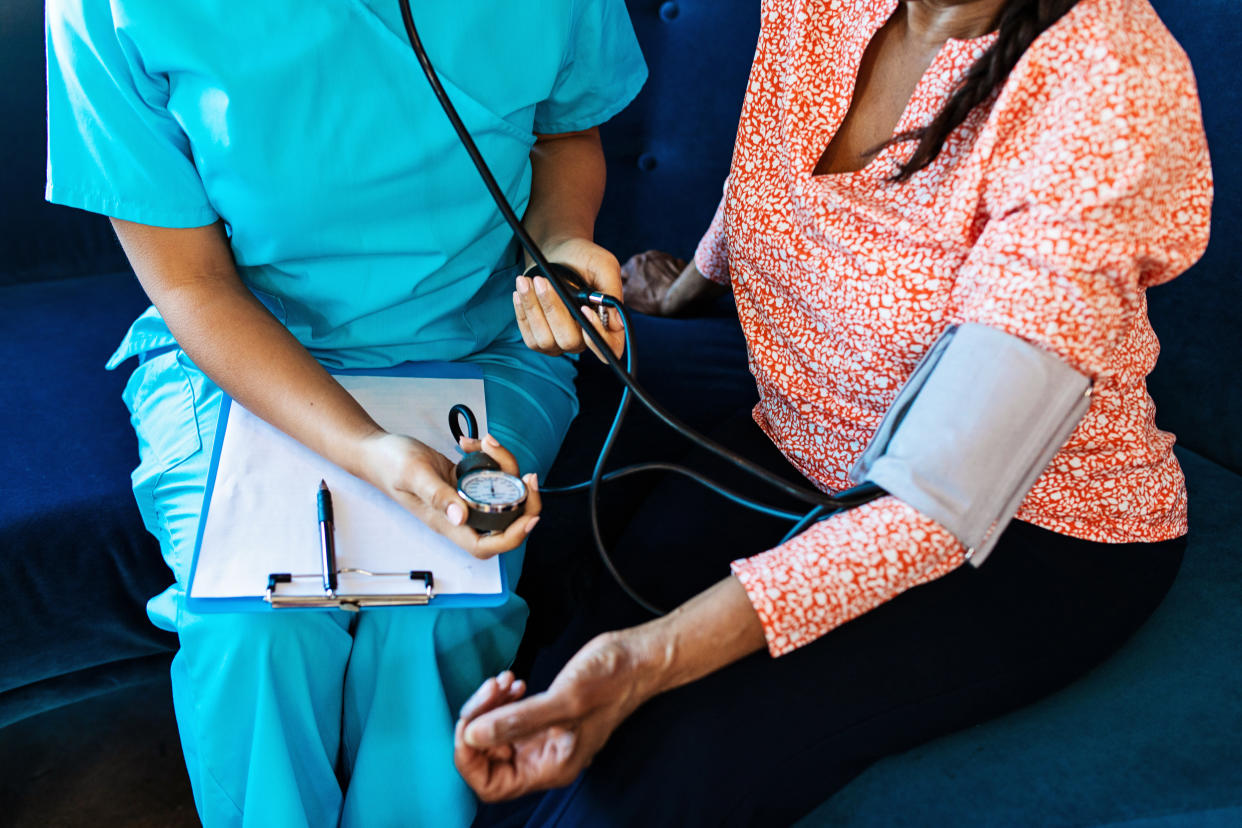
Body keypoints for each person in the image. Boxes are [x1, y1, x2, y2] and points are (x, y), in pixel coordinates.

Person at [456, 0, 1213, 824]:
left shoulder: (1110, 81)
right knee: (569, 645)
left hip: (1023, 527)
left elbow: (942, 493)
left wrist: (648, 662)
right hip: (797, 443)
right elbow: (770, 168)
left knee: (682, 751)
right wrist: (682, 294)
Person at [44, 1, 644, 825]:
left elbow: (563, 135)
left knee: (441, 615)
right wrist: (370, 450)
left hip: (479, 343)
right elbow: (191, 283)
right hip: (242, 356)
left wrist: (565, 247)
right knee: (252, 631)